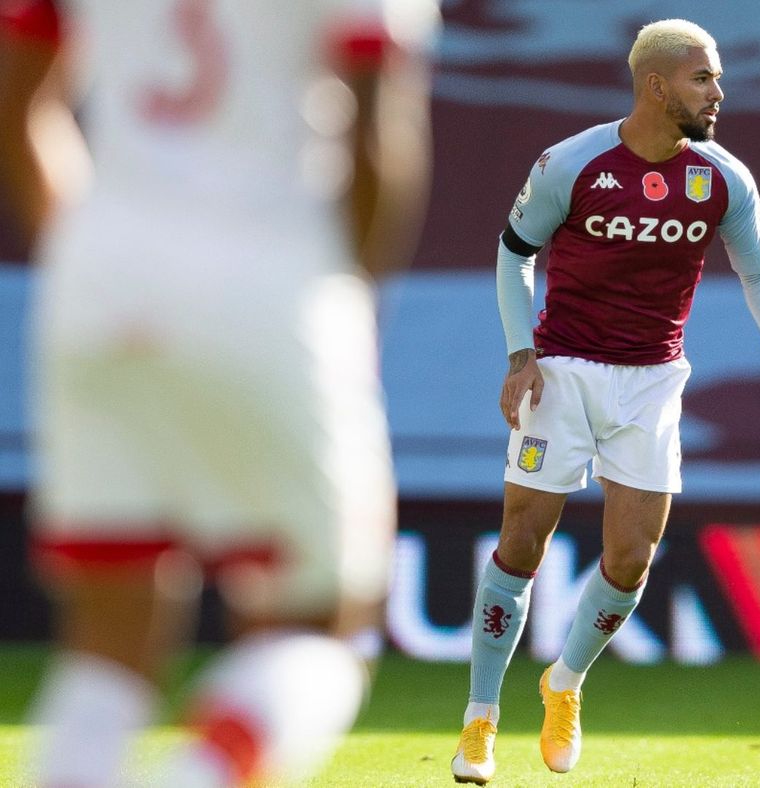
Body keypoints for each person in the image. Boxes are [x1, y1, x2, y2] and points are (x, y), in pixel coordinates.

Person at [0, 0, 437, 784]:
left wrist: (91, 255)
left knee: (106, 639)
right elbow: (378, 132)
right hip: (268, 282)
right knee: (321, 628)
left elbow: (18, 105)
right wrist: (348, 305)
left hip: (101, 278)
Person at [450, 17, 760, 785]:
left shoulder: (723, 177)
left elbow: (759, 269)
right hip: (562, 372)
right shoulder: (571, 163)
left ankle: (564, 682)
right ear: (657, 86)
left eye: (718, 78)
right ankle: (480, 719)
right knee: (521, 544)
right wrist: (521, 355)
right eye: (704, 78)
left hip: (653, 380)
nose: (718, 93)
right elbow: (513, 254)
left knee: (630, 559)